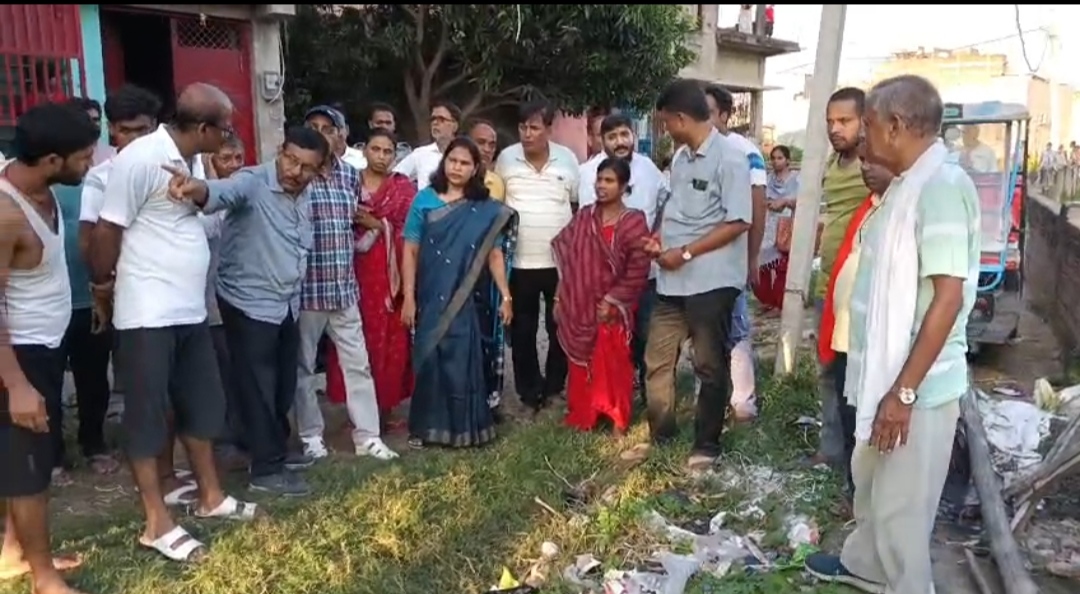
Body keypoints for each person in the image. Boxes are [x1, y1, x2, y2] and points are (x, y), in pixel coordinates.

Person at [805, 75, 980, 594]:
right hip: (883, 374)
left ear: (897, 126)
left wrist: (903, 394)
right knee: (876, 487)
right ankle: (867, 567)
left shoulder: (941, 189)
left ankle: (905, 584)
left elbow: (947, 299)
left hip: (916, 386)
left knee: (903, 506)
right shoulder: (904, 187)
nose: (864, 137)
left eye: (870, 126)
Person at [88, 83, 255, 562]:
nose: (228, 136)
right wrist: (102, 286)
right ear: (202, 128)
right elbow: (107, 229)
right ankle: (156, 523)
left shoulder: (193, 160)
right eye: (224, 128)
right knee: (147, 417)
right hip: (147, 314)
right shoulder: (141, 158)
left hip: (189, 311)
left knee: (201, 405)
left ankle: (210, 496)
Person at [161, 126, 329, 497]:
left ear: (318, 170)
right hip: (248, 303)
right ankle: (266, 470)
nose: (294, 171)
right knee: (257, 387)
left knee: (282, 385)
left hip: (285, 304)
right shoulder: (252, 181)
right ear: (280, 151)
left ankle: (274, 448)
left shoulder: (304, 192)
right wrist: (194, 188)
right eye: (290, 159)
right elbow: (219, 192)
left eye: (306, 167)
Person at [80, 87, 200, 508]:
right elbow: (92, 238)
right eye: (126, 130)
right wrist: (103, 289)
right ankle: (155, 482)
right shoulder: (101, 177)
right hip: (133, 300)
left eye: (143, 130)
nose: (134, 138)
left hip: (173, 299)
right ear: (111, 130)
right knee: (147, 397)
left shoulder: (175, 165)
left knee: (174, 393)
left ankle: (170, 473)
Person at [0, 102, 98, 594]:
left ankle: (13, 553)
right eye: (84, 156)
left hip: (46, 345)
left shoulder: (42, 190)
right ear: (53, 160)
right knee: (29, 468)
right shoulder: (5, 213)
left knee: (23, 459)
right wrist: (17, 384)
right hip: (20, 355)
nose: (91, 163)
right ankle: (44, 578)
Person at [635, 79, 752, 470]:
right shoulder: (681, 158)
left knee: (708, 365)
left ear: (682, 118)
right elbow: (680, 211)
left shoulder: (731, 158)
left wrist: (684, 252)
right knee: (657, 359)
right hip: (672, 280)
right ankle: (661, 434)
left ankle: (706, 444)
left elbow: (739, 221)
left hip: (711, 281)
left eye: (666, 122)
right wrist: (660, 239)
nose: (665, 129)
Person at [58, 86, 160, 482]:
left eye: (94, 124)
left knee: (94, 375)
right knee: (48, 377)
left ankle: (94, 442)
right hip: (55, 293)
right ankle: (53, 455)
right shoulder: (44, 174)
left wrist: (103, 286)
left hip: (94, 293)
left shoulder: (103, 171)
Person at [401, 136, 516, 448]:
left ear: (475, 168)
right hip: (431, 292)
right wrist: (408, 297)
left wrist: (506, 296)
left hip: (467, 296)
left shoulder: (484, 208)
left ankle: (466, 428)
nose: (457, 167)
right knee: (431, 354)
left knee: (463, 357)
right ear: (444, 162)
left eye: (465, 163)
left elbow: (494, 254)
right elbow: (410, 249)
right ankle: (426, 428)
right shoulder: (424, 199)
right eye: (452, 160)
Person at [295, 106, 395, 461]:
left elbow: (355, 224)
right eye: (313, 127)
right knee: (304, 370)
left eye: (328, 128)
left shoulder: (350, 177)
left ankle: (367, 436)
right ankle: (311, 437)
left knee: (357, 365)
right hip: (307, 292)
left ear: (341, 135)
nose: (321, 133)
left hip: (343, 290)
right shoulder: (297, 176)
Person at [816, 139, 894, 502]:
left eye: (874, 160)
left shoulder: (900, 209)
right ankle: (855, 492)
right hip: (848, 334)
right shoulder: (869, 208)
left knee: (868, 420)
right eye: (863, 160)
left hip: (874, 339)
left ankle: (867, 497)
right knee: (851, 418)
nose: (866, 168)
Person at [324, 128, 416, 431]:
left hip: (389, 278)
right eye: (376, 149)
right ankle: (357, 412)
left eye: (388, 151)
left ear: (395, 155)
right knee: (353, 340)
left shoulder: (402, 188)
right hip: (352, 273)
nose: (381, 156)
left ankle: (384, 410)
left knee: (388, 341)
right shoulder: (348, 182)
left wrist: (377, 224)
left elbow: (412, 232)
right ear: (364, 150)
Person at [554, 157, 650, 434]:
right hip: (580, 302)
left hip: (615, 305)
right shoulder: (585, 217)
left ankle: (617, 418)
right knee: (580, 362)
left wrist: (612, 300)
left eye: (609, 181)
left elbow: (638, 268)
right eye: (599, 179)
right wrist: (560, 297)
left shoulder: (633, 222)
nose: (601, 186)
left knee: (613, 360)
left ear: (623, 186)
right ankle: (584, 414)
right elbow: (569, 259)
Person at [496, 99, 579, 412]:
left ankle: (555, 387)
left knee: (559, 327)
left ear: (549, 128)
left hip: (559, 264)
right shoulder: (507, 159)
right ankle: (529, 393)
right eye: (522, 127)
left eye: (533, 127)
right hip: (520, 262)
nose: (526, 134)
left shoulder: (567, 159)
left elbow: (576, 204)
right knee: (522, 331)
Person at [577, 113, 667, 391]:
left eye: (624, 134)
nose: (620, 142)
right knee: (610, 335)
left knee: (645, 332)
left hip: (645, 275)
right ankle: (613, 391)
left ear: (633, 135)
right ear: (601, 141)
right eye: (612, 136)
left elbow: (666, 202)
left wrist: (657, 233)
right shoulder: (587, 173)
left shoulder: (648, 168)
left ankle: (647, 389)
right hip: (607, 277)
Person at [810, 87, 869, 469]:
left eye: (844, 120)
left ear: (865, 121)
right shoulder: (833, 162)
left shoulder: (873, 165)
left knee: (858, 374)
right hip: (827, 283)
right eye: (830, 121)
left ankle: (858, 460)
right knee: (828, 370)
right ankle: (831, 451)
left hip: (859, 286)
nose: (835, 128)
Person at [703, 84, 766, 422]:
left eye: (708, 113)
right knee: (704, 330)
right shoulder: (693, 152)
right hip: (700, 260)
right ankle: (708, 396)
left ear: (725, 116)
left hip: (732, 258)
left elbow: (758, 206)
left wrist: (752, 257)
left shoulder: (744, 152)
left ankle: (743, 403)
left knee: (736, 328)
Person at [754, 144, 800, 311]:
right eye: (773, 158)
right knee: (763, 265)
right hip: (768, 225)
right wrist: (769, 203)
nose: (776, 161)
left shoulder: (796, 179)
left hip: (787, 227)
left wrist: (785, 201)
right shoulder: (768, 179)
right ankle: (767, 301)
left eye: (780, 158)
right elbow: (760, 198)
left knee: (783, 267)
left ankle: (780, 304)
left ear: (787, 160)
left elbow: (803, 200)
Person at [394, 100, 460, 191]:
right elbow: (394, 178)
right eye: (433, 119)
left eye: (441, 119)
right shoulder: (421, 153)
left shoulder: (465, 155)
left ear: (455, 126)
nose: (435, 123)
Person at [69, 97, 116, 166]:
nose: (92, 124)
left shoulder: (113, 153)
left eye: (95, 119)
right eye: (88, 120)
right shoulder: (74, 157)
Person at [468, 119, 506, 200]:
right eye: (481, 142)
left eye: (492, 145)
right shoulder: (454, 177)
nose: (487, 149)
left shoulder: (497, 183)